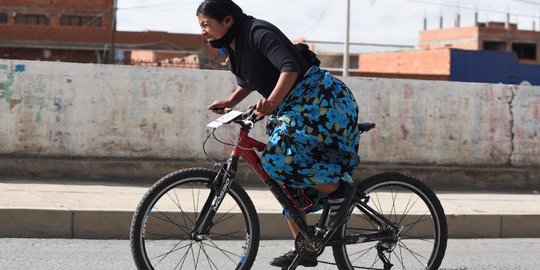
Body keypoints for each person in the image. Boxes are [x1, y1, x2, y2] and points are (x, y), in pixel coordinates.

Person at [196, 0, 360, 268]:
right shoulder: (235, 46)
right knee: (282, 180)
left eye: (205, 24)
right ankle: (306, 246)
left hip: (321, 100)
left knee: (277, 160)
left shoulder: (257, 32)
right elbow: (251, 80)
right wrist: (230, 101)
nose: (203, 30)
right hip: (294, 105)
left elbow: (289, 68)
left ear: (227, 21)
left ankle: (340, 191)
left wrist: (270, 103)